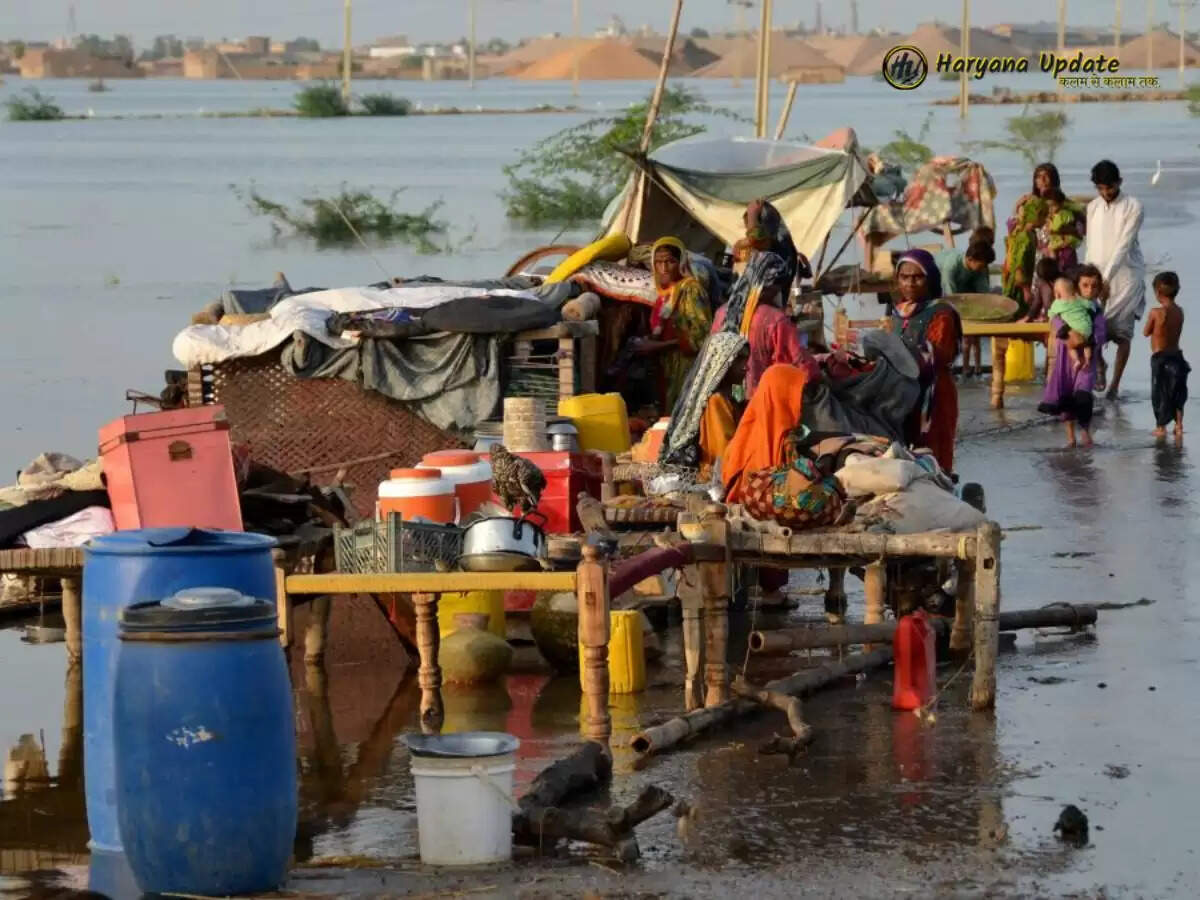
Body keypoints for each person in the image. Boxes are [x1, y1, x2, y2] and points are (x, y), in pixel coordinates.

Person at [890, 249, 962, 474]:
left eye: (917, 277)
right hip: (902, 392)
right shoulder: (897, 312)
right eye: (904, 277)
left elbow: (939, 354)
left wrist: (895, 349)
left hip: (934, 393)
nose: (910, 283)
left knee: (934, 450)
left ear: (929, 278)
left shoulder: (941, 312)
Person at [711, 252, 819, 400]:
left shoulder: (721, 313)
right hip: (762, 403)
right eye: (779, 286)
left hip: (724, 400)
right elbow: (799, 367)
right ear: (772, 286)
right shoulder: (775, 320)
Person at [1085, 159, 1146, 400]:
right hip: (1097, 277)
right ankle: (1099, 365)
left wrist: (1107, 278)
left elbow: (1124, 244)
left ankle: (1114, 386)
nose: (1105, 193)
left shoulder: (1134, 206)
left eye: (1109, 187)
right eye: (1100, 188)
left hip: (1126, 277)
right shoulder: (1093, 207)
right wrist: (1090, 277)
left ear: (1119, 182)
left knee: (1122, 334)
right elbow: (1090, 244)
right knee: (1092, 329)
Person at [639, 236, 713, 411]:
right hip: (665, 368)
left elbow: (701, 337)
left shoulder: (691, 290)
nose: (664, 268)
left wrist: (658, 346)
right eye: (658, 262)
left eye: (670, 262)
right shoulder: (663, 295)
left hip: (685, 368)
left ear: (680, 263)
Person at [1039, 264, 1107, 447]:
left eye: (1094, 286)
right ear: (1077, 286)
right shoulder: (1066, 304)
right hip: (1065, 360)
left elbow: (1101, 332)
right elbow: (1054, 320)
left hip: (1086, 361)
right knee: (1067, 399)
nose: (1090, 290)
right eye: (1085, 285)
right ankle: (1070, 437)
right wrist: (1068, 333)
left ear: (1099, 288)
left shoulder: (1095, 309)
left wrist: (1088, 341)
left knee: (1084, 396)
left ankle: (1085, 431)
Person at [937, 239, 995, 378]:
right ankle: (945, 366)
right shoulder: (951, 266)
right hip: (939, 287)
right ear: (970, 259)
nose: (984, 269)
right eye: (982, 265)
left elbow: (984, 294)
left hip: (962, 290)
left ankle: (973, 367)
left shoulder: (979, 270)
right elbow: (950, 296)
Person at [1144, 271, 1188, 439]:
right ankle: (1179, 425)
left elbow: (1146, 332)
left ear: (1157, 292)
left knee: (1160, 392)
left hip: (1160, 357)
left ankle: (1161, 427)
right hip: (1177, 355)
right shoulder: (1180, 311)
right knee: (1177, 390)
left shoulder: (1156, 312)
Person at [1048, 277, 1096, 373]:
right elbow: (1091, 306)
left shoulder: (1057, 303)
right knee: (1087, 345)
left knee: (1071, 347)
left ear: (1057, 294)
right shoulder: (1078, 299)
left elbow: (1051, 315)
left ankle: (1077, 360)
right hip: (1086, 328)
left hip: (1073, 329)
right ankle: (1087, 361)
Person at [1045, 189, 1082, 273]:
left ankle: (1053, 264)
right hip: (1067, 241)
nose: (1050, 209)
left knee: (1051, 248)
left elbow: (1055, 228)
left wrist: (1050, 224)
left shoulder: (1061, 214)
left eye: (1053, 206)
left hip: (1067, 240)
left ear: (1061, 204)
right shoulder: (1062, 213)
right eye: (1048, 206)